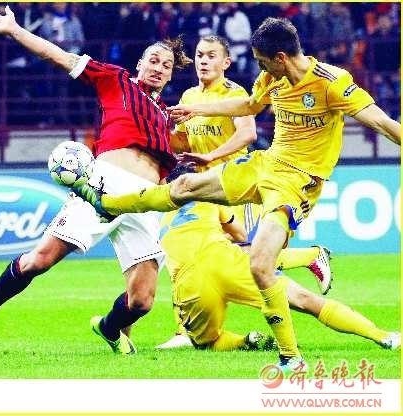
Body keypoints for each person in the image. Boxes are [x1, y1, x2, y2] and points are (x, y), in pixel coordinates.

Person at [70, 17, 401, 371]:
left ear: (280, 57)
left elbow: (384, 124)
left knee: (259, 264)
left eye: (262, 61)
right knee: (184, 186)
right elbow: (250, 105)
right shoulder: (272, 78)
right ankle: (104, 202)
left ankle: (291, 357)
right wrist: (196, 109)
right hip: (266, 164)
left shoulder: (332, 83)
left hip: (296, 184)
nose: (259, 68)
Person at [0, 5, 192, 356]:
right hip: (105, 185)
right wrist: (14, 30)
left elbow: (175, 155)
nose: (159, 68)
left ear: (171, 75)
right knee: (40, 260)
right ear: (139, 64)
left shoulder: (164, 115)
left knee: (142, 300)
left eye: (166, 65)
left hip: (146, 200)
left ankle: (108, 328)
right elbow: (60, 56)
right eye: (154, 61)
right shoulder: (116, 80)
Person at [158, 35, 332, 350]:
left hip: (235, 189)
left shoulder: (235, 94)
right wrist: (156, 130)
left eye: (211, 55)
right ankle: (184, 332)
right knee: (190, 257)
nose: (203, 61)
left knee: (254, 256)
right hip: (202, 190)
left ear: (226, 62)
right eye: (200, 55)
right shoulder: (189, 96)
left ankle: (309, 257)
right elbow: (182, 141)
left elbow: (248, 133)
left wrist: (211, 156)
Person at [158, 167, 400, 354]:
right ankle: (383, 336)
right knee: (306, 300)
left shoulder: (161, 219)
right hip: (225, 262)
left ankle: (246, 341)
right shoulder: (208, 201)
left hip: (190, 283)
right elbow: (241, 235)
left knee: (206, 343)